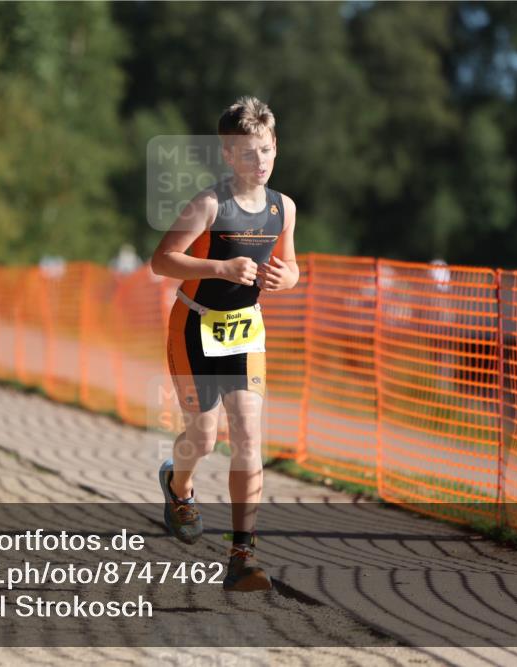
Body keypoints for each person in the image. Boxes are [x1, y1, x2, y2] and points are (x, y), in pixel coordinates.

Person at [150, 97, 299, 592]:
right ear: (229, 156)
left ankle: (243, 555)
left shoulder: (284, 208)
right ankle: (179, 485)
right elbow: (163, 260)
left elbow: (293, 268)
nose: (261, 162)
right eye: (249, 153)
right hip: (195, 327)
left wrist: (285, 278)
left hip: (246, 328)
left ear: (276, 148)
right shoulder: (210, 205)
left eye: (267, 150)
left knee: (250, 437)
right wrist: (219, 268)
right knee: (205, 438)